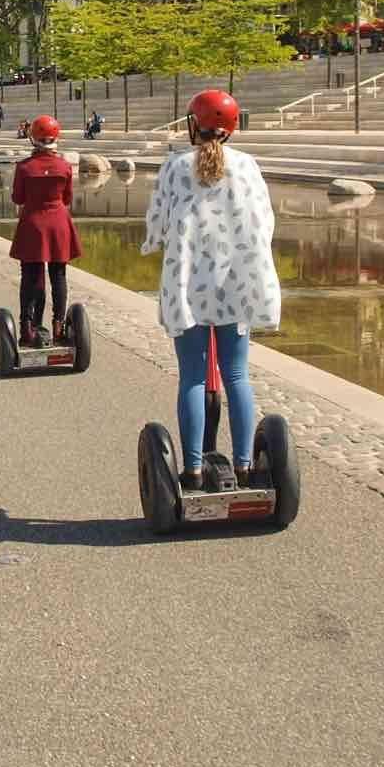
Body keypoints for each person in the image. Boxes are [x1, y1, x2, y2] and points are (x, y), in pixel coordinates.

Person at [140, 89, 280, 491]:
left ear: (192, 125)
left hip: (188, 288)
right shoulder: (248, 166)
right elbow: (265, 223)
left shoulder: (174, 167)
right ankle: (243, 466)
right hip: (236, 287)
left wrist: (156, 242)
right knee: (237, 375)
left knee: (193, 378)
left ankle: (194, 470)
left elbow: (156, 225)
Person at [9, 115, 80, 348]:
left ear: (33, 138)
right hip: (59, 223)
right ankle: (59, 326)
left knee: (31, 277)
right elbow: (68, 198)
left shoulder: (25, 167)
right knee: (58, 276)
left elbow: (17, 198)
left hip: (33, 224)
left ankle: (30, 327)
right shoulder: (65, 166)